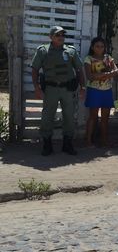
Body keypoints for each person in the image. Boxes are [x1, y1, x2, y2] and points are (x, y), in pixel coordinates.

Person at [31, 25, 86, 156]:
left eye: (62, 35)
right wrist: (37, 88)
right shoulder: (43, 51)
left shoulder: (71, 51)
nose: (61, 37)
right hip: (51, 89)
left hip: (68, 89)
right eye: (57, 35)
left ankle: (67, 144)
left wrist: (83, 87)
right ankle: (47, 144)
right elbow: (34, 69)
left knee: (69, 117)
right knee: (47, 116)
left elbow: (79, 70)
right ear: (51, 37)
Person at [83, 37, 118, 148]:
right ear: (92, 47)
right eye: (97, 46)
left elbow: (116, 71)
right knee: (93, 117)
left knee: (105, 118)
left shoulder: (108, 58)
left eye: (102, 46)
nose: (100, 48)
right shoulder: (88, 59)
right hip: (94, 91)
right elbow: (89, 76)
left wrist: (100, 75)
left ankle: (104, 141)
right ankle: (88, 141)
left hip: (107, 90)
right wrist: (108, 74)